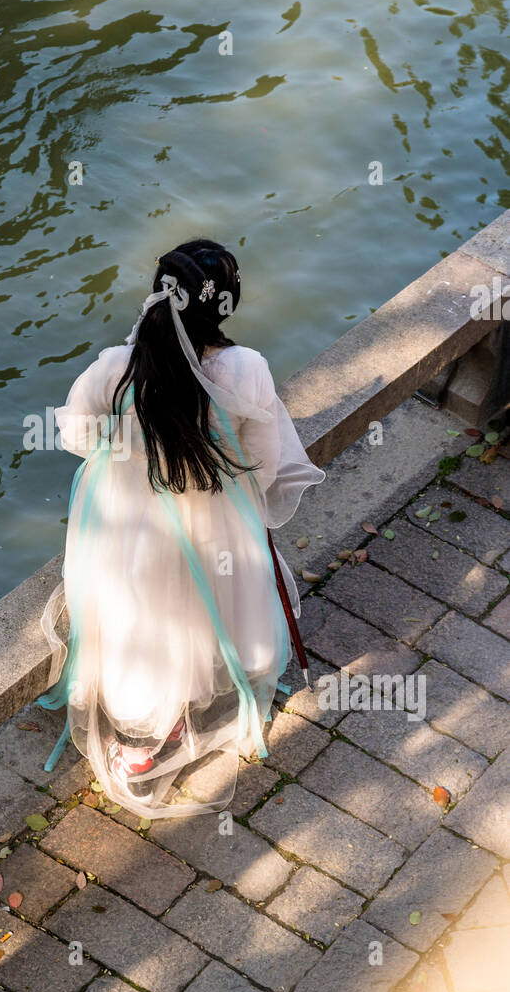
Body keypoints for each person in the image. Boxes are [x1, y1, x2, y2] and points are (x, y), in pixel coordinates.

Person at [39, 240, 325, 817]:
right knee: (215, 600)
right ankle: (214, 695)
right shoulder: (246, 370)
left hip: (130, 524)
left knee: (145, 617)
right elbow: (264, 464)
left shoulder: (117, 368)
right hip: (216, 520)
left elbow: (74, 434)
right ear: (224, 306)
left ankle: (141, 739)